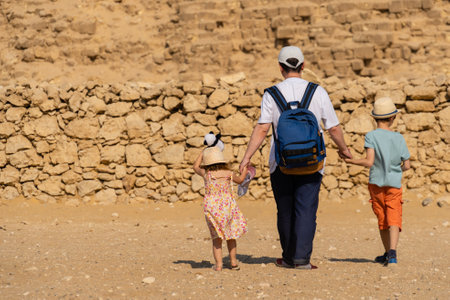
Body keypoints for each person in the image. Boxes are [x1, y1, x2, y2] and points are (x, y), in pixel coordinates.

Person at [240, 46, 352, 269]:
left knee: (285, 208)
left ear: (280, 68)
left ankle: (288, 257)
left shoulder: (271, 93)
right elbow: (334, 127)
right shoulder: (317, 91)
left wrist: (246, 158)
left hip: (280, 162)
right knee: (306, 209)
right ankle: (302, 259)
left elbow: (262, 128)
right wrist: (344, 149)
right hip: (313, 160)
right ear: (303, 66)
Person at [344, 97, 410, 266]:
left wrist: (351, 161)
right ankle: (393, 254)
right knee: (394, 217)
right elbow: (407, 165)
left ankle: (387, 252)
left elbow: (369, 162)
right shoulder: (399, 138)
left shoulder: (371, 136)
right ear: (393, 117)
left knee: (382, 218)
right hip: (394, 184)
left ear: (374, 118)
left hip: (376, 184)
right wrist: (396, 171)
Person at [193, 146, 249, 271]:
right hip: (228, 207)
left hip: (212, 209)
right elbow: (240, 180)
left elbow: (195, 167)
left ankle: (219, 265)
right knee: (231, 236)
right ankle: (233, 262)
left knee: (216, 239)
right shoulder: (229, 173)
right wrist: (245, 170)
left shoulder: (207, 174)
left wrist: (202, 153)